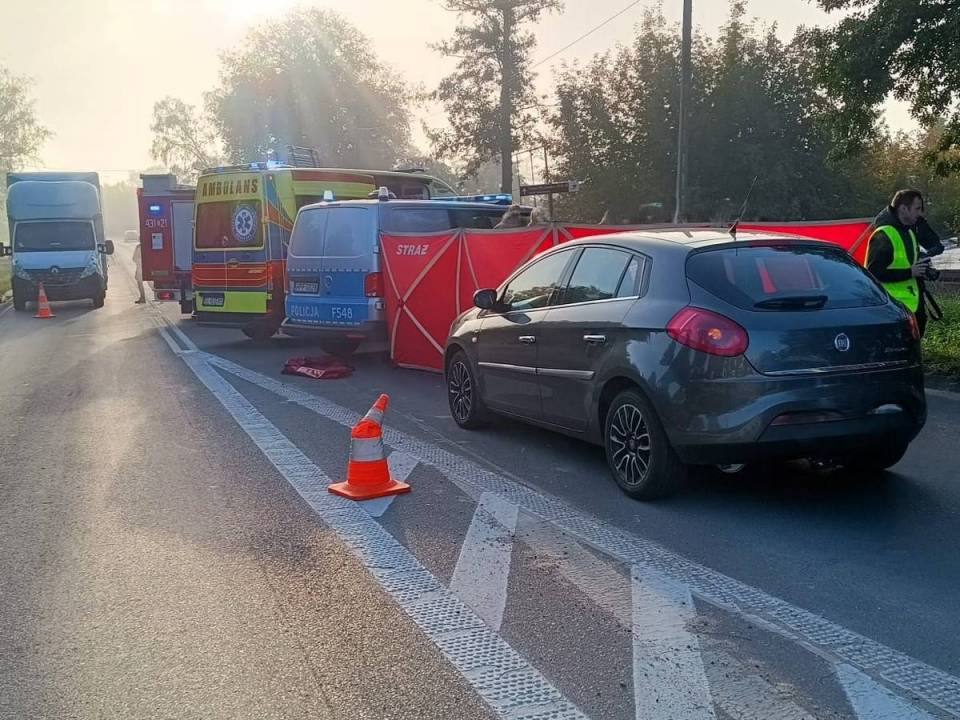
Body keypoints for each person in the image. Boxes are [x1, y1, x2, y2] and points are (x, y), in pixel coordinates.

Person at [867, 189, 944, 337]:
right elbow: (873, 273)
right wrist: (910, 272)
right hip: (891, 307)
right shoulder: (884, 234)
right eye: (917, 208)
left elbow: (908, 262)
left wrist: (924, 268)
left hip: (913, 304)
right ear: (903, 208)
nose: (920, 213)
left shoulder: (909, 231)